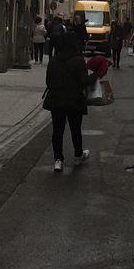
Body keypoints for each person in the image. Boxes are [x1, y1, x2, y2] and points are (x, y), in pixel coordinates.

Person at [44, 30, 91, 172]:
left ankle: (58, 160)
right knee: (75, 129)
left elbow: (48, 81)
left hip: (56, 100)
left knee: (57, 131)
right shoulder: (78, 60)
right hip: (74, 100)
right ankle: (78, 155)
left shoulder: (54, 60)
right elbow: (84, 81)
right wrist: (95, 76)